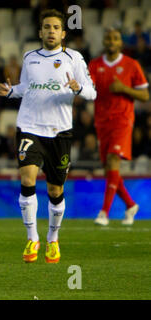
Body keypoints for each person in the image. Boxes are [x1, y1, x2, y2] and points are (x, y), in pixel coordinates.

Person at [0, 9, 96, 264]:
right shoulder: (30, 57)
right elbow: (28, 89)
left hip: (59, 131)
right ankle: (32, 238)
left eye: (55, 28)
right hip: (29, 126)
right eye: (46, 27)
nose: (51, 31)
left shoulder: (74, 58)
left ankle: (53, 239)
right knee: (27, 178)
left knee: (55, 190)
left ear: (63, 33)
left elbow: (92, 93)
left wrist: (79, 87)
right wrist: (10, 91)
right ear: (40, 32)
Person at [88, 28, 149, 226]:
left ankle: (104, 213)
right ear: (104, 42)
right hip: (101, 121)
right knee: (109, 171)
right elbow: (88, 89)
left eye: (115, 38)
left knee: (114, 161)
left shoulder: (131, 65)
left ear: (121, 43)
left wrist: (123, 89)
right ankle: (131, 205)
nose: (111, 41)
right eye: (108, 38)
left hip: (122, 120)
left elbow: (145, 95)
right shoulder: (95, 65)